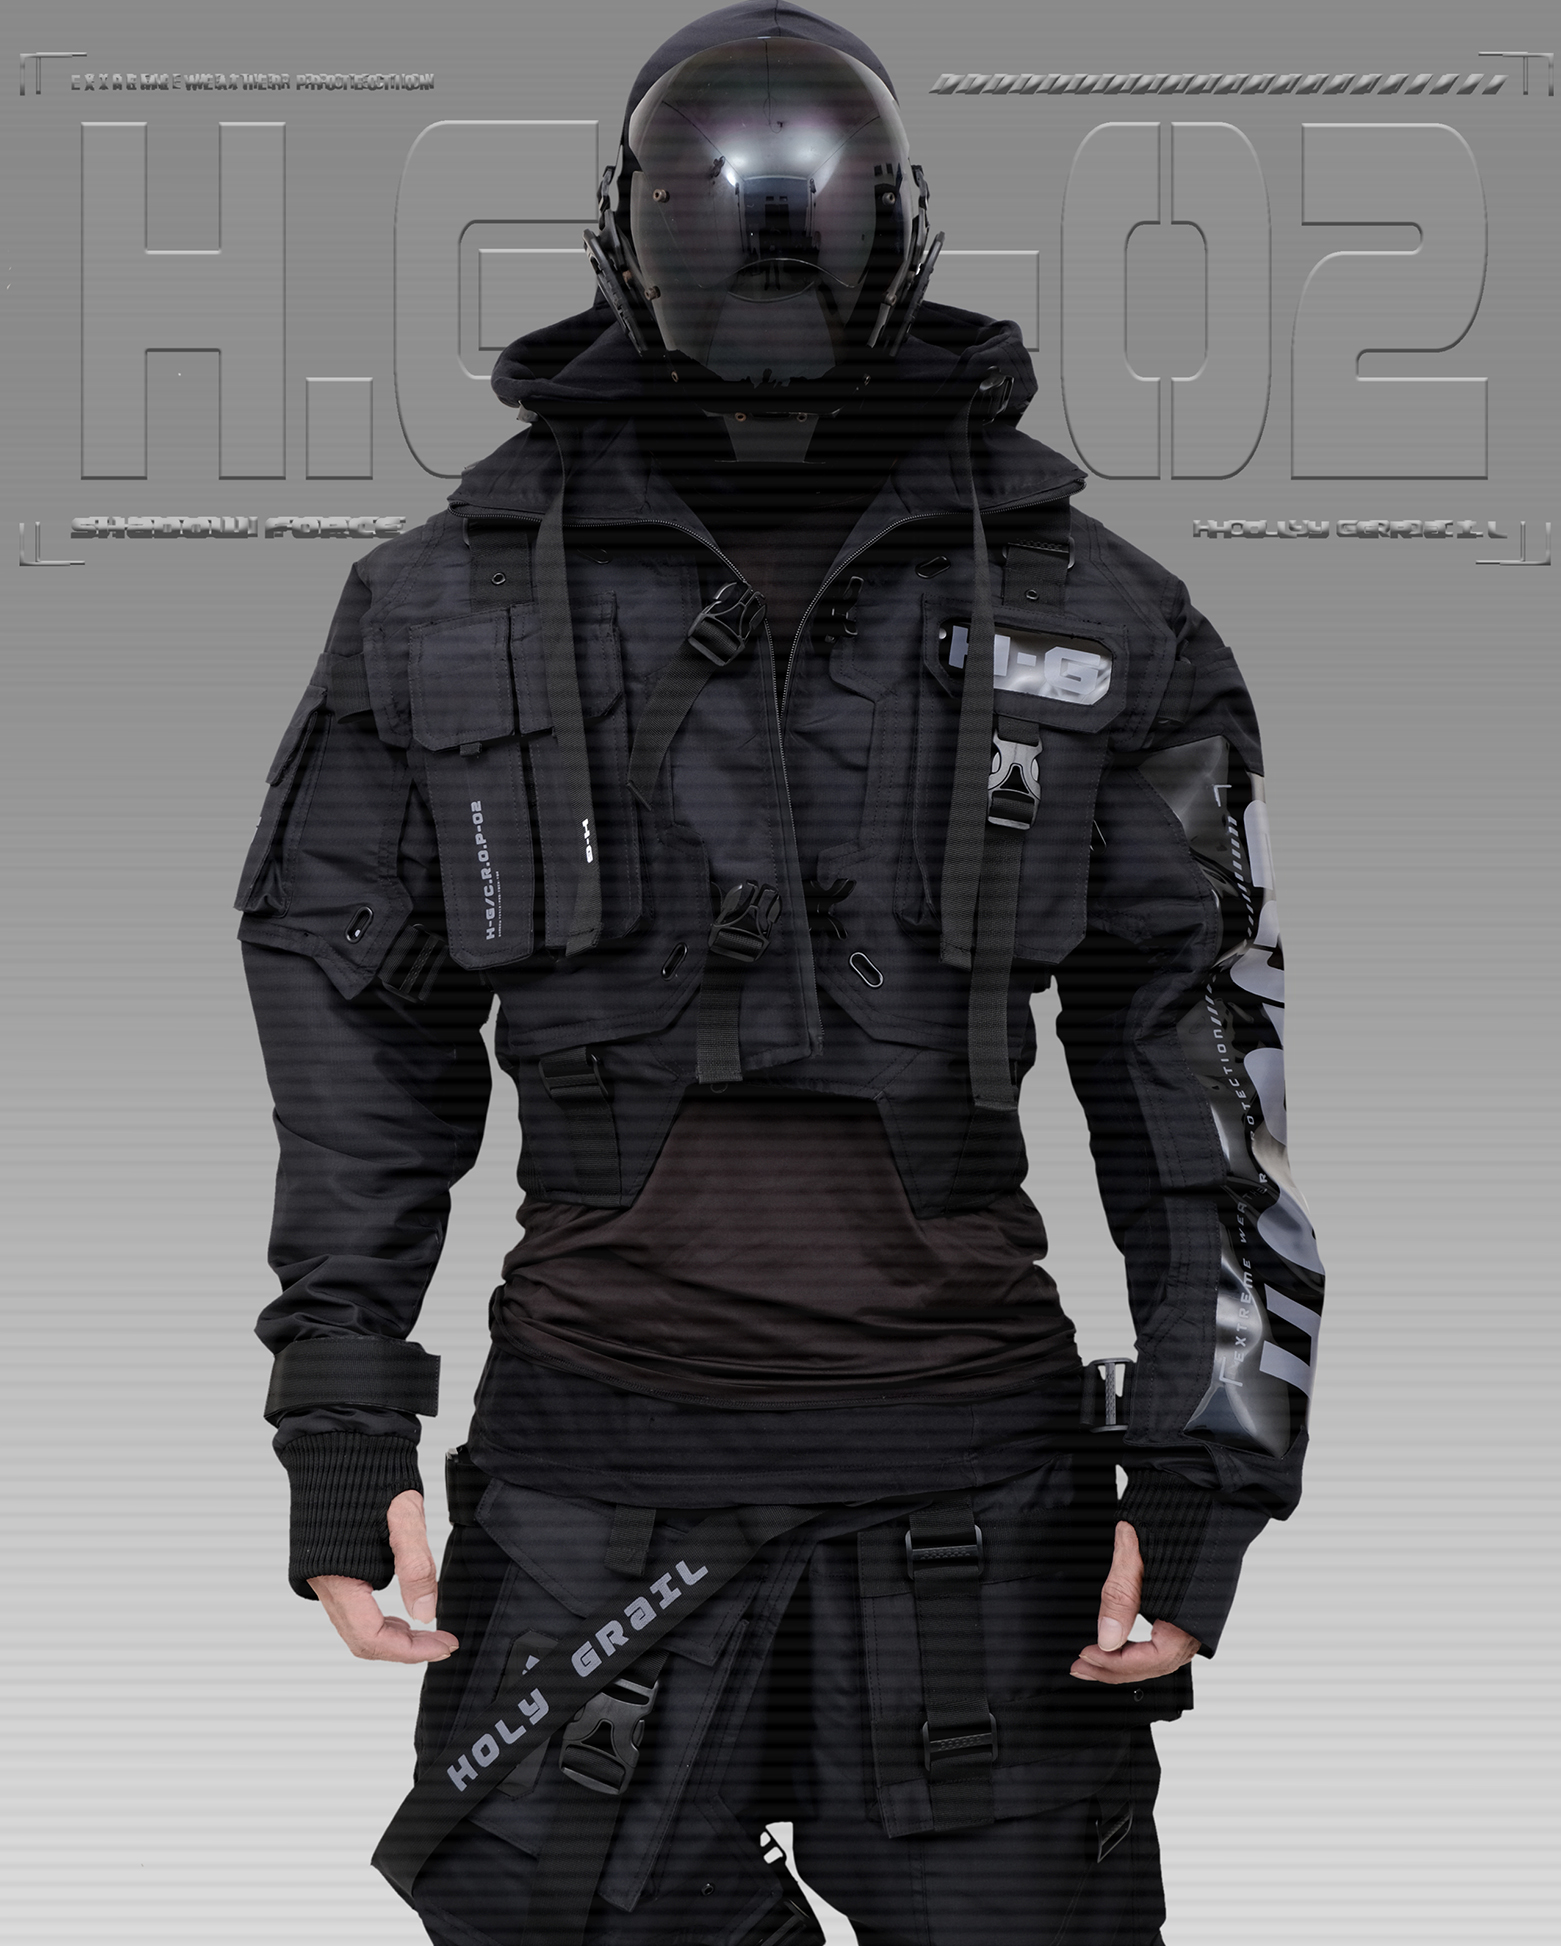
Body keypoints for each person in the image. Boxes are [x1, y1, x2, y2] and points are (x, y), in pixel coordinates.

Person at [236, 8, 1324, 1943]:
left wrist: (1203, 1471)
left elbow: (1204, 1081)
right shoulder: (440, 604)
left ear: (892, 233)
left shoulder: (1097, 618)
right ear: (627, 232)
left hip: (975, 1497)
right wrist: (341, 1421)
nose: (761, 260)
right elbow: (350, 1029)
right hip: (588, 1473)